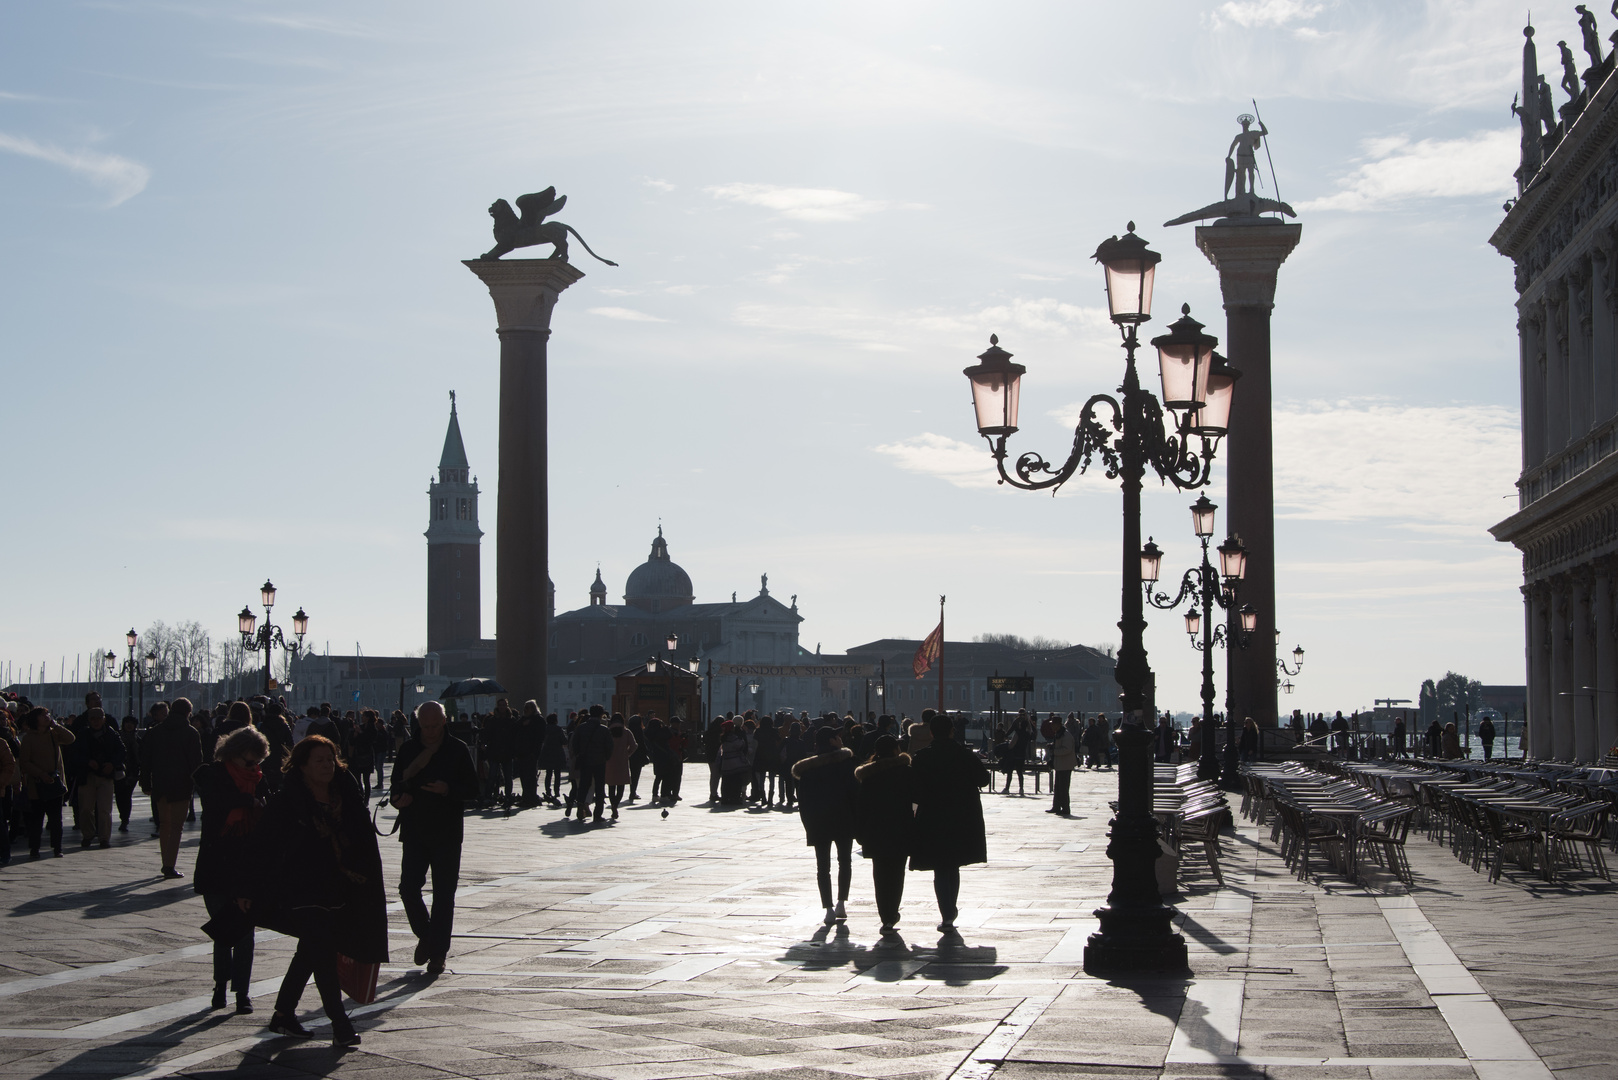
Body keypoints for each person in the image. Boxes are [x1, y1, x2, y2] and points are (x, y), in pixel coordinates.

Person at [256, 735, 386, 1046]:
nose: (327, 765)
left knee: (310, 951)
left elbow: (363, 840)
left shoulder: (346, 795)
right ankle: (340, 1024)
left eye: (330, 759)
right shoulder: (288, 801)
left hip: (339, 886)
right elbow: (265, 846)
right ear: (302, 766)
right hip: (300, 888)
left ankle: (283, 1014)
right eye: (319, 760)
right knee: (323, 951)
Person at [391, 701, 479, 974]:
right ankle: (428, 936)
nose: (429, 731)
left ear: (444, 722)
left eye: (434, 725)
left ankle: (438, 953)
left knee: (444, 895)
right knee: (408, 888)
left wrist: (447, 789)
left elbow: (474, 789)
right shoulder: (408, 749)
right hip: (415, 828)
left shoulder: (457, 749)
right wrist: (399, 799)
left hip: (447, 831)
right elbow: (395, 786)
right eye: (424, 726)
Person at [194, 725, 270, 1014]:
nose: (254, 767)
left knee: (245, 931)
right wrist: (247, 801)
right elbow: (215, 806)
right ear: (234, 754)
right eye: (249, 761)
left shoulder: (260, 780)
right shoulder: (212, 774)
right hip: (216, 863)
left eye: (257, 762)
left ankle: (242, 992)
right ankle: (220, 986)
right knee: (225, 930)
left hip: (246, 866)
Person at [910, 713, 990, 933]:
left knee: (940, 867)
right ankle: (950, 910)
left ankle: (946, 911)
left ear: (932, 732)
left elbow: (914, 791)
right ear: (952, 731)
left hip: (933, 816)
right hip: (961, 815)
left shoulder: (922, 757)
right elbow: (984, 779)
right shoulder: (964, 755)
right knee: (952, 865)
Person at [791, 726, 858, 926]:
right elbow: (855, 793)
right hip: (843, 819)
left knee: (823, 867)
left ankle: (828, 909)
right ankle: (841, 903)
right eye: (837, 736)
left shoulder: (809, 768)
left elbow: (802, 801)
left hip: (819, 821)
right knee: (845, 862)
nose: (840, 738)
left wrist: (808, 825)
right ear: (831, 741)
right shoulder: (845, 764)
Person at [854, 734, 913, 935]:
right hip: (900, 829)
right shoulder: (904, 772)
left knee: (880, 874)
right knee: (897, 874)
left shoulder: (869, 775)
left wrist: (859, 832)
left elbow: (861, 806)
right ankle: (891, 914)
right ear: (896, 750)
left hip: (875, 831)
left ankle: (885, 916)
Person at [139, 697, 204, 879]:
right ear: (188, 713)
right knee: (177, 826)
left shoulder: (155, 731)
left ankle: (165, 861)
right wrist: (200, 785)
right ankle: (169, 864)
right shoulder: (191, 733)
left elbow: (146, 760)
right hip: (181, 785)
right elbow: (196, 763)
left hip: (160, 784)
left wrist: (145, 782)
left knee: (165, 825)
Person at [20, 708, 74, 859]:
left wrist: (56, 725)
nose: (46, 717)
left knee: (56, 819)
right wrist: (40, 774)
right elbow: (25, 762)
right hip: (37, 784)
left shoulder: (53, 734)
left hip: (54, 783)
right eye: (43, 715)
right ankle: (34, 848)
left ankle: (57, 847)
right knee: (36, 820)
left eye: (47, 714)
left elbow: (70, 739)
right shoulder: (29, 738)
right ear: (35, 719)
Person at [71, 707, 123, 849]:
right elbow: (75, 754)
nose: (96, 722)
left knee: (105, 809)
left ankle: (104, 838)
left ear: (104, 719)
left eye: (98, 718)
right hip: (87, 775)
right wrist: (87, 761)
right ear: (89, 720)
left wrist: (112, 764)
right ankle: (88, 834)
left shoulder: (112, 734)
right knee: (86, 809)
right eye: (93, 719)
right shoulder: (83, 735)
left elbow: (120, 752)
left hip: (105, 776)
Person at [568, 705, 612, 822]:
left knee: (583, 785)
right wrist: (605, 757)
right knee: (599, 788)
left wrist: (579, 754)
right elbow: (609, 747)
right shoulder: (604, 729)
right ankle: (597, 814)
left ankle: (580, 807)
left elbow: (574, 744)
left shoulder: (581, 728)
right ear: (601, 715)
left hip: (585, 760)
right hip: (599, 761)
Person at [604, 714, 638, 820]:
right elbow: (634, 745)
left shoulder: (607, 732)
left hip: (609, 761)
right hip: (622, 761)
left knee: (611, 785)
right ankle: (615, 805)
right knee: (620, 785)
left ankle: (613, 804)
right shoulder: (626, 732)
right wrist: (627, 754)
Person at [513, 701, 544, 806]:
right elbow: (515, 729)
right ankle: (526, 797)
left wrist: (535, 753)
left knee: (530, 776)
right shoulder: (522, 720)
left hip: (531, 753)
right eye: (525, 707)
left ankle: (531, 798)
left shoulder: (538, 720)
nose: (525, 709)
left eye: (528, 708)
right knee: (523, 776)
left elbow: (539, 738)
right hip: (522, 753)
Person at [1045, 715, 1077, 816]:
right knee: (1058, 787)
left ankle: (1065, 808)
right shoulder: (1059, 734)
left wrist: (1054, 751)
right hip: (1060, 765)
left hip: (1065, 765)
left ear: (1057, 725)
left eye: (1052, 724)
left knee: (1063, 788)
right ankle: (1056, 806)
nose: (1051, 726)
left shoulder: (1065, 735)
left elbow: (1067, 749)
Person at [539, 713, 567, 805]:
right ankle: (556, 791)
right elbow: (564, 741)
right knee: (557, 774)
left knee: (548, 773)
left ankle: (548, 791)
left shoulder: (544, 729)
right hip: (557, 753)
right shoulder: (558, 729)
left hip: (547, 753)